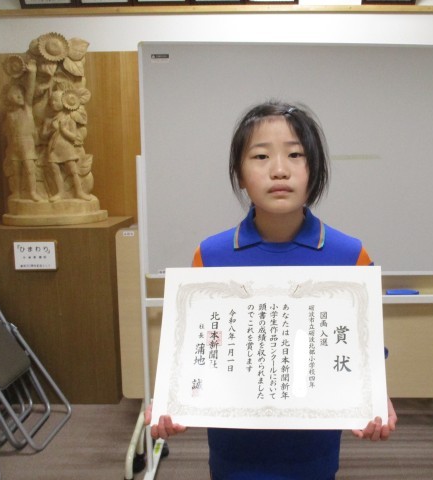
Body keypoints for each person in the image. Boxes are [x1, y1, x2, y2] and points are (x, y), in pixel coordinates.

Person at [146, 100, 397, 479]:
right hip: (234, 454)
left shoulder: (349, 255)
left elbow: (364, 351)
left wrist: (376, 398)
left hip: (312, 454)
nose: (279, 169)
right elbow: (198, 350)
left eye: (295, 155)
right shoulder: (211, 255)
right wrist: (172, 400)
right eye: (261, 156)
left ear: (314, 169)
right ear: (239, 173)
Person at [2, 59, 42, 202]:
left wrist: (32, 72)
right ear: (9, 98)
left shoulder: (26, 109)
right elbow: (7, 133)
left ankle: (32, 192)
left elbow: (29, 90)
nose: (20, 96)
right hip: (14, 145)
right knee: (16, 169)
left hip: (27, 143)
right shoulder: (10, 115)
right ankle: (17, 192)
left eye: (21, 94)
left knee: (29, 168)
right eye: (15, 94)